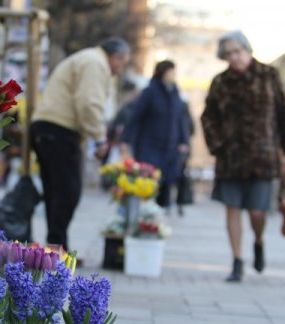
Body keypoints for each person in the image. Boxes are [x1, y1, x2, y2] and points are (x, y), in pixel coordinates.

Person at [200, 31, 285, 282]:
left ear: (248, 50)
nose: (234, 57)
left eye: (237, 51)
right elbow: (208, 117)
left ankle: (259, 240)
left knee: (257, 212)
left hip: (263, 157)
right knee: (232, 209)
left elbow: (282, 115)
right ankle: (237, 260)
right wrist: (218, 144)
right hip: (230, 157)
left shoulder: (269, 75)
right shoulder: (220, 82)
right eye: (228, 54)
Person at [30, 37, 131, 251]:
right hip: (60, 129)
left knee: (56, 192)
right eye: (122, 63)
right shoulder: (96, 63)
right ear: (114, 57)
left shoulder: (87, 58)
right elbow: (88, 103)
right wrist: (100, 137)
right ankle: (57, 248)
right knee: (68, 192)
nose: (120, 70)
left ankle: (56, 248)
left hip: (47, 127)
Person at [120, 60, 190, 211]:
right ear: (162, 72)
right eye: (171, 72)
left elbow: (181, 119)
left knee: (166, 182)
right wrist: (126, 139)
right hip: (149, 145)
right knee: (149, 181)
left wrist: (184, 141)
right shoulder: (150, 92)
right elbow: (135, 117)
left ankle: (158, 219)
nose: (173, 75)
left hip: (170, 147)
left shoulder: (175, 94)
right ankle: (145, 216)